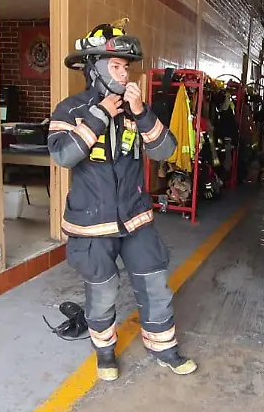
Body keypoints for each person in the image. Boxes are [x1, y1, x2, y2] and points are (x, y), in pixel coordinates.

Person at [47, 22, 197, 381]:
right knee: (103, 291)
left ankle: (165, 349)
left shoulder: (136, 109)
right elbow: (64, 156)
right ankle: (105, 353)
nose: (123, 73)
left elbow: (166, 150)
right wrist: (99, 116)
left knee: (155, 282)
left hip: (135, 218)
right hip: (91, 224)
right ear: (94, 68)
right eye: (115, 66)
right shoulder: (70, 110)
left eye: (125, 67)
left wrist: (142, 112)